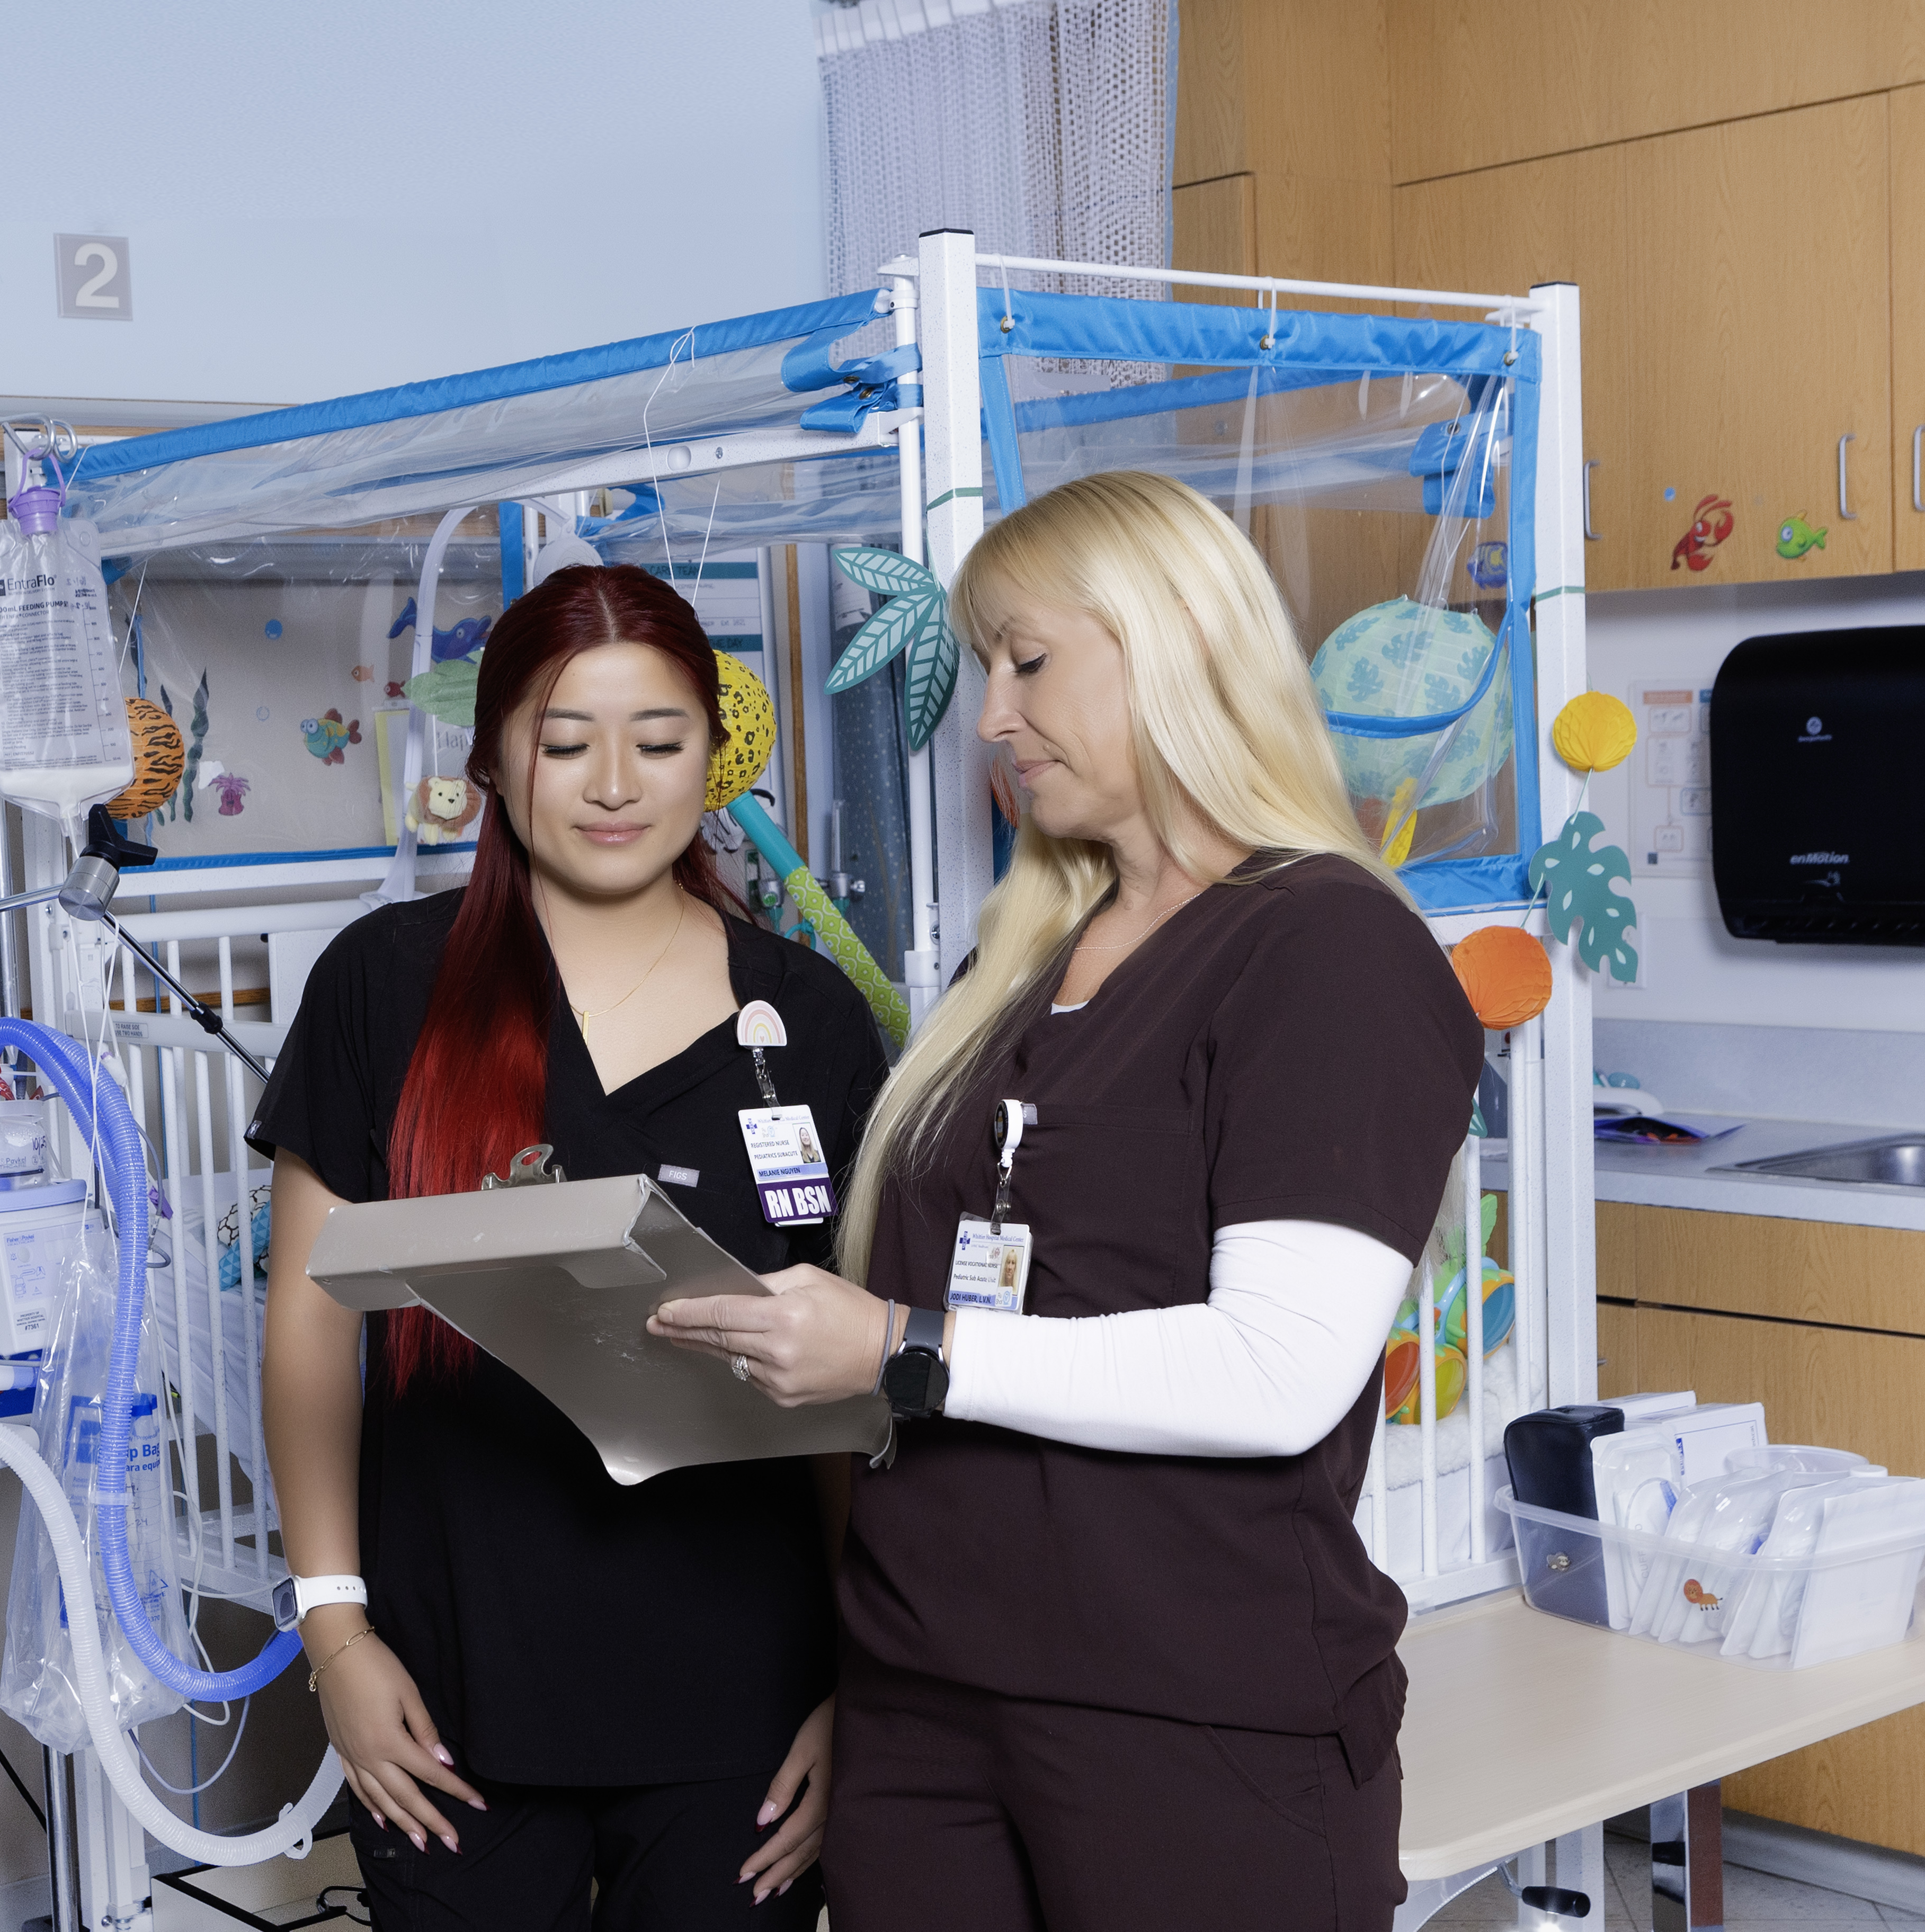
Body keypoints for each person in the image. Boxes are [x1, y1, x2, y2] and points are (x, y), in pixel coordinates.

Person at [648, 472, 1483, 1930]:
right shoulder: (1020, 963)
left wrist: (906, 1344)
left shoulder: (1329, 952)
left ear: (1174, 647)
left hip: (1193, 1719)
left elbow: (1277, 1372)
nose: (989, 716)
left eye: (1029, 663)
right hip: (924, 1700)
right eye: (987, 670)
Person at [253, 562, 891, 1930]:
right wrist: (335, 1631)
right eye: (565, 742)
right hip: (450, 1688)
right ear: (493, 758)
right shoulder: (385, 987)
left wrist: (859, 1683)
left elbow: (844, 1387)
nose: (616, 784)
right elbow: (310, 1322)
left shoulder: (810, 1018)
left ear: (709, 762)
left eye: (659, 743)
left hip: (745, 1702)